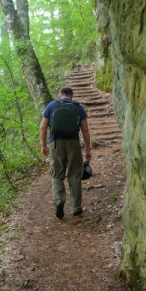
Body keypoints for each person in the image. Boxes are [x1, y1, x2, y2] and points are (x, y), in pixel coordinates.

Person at [40, 86, 92, 219]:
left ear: (59, 94)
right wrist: (87, 149)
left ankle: (58, 201)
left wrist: (44, 145)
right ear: (72, 96)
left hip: (56, 143)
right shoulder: (77, 107)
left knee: (57, 174)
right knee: (74, 174)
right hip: (73, 143)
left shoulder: (52, 105)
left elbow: (43, 126)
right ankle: (76, 208)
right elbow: (85, 130)